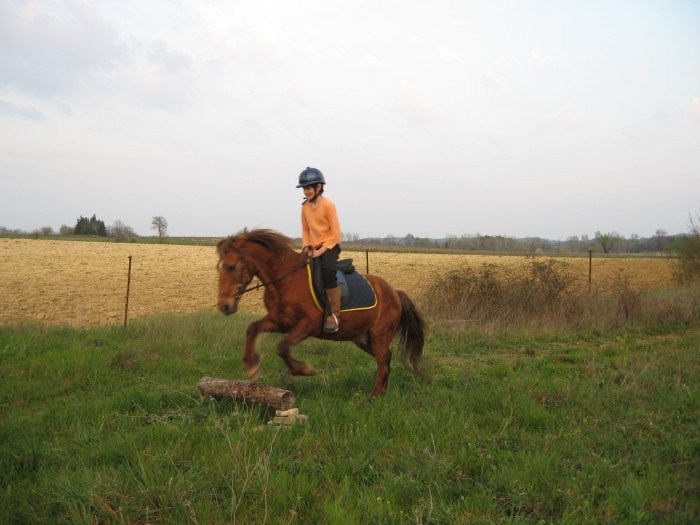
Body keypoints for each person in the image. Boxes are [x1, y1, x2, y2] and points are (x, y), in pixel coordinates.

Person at [297, 167, 342, 332]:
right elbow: (305, 230)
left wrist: (320, 251)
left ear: (319, 187)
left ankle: (334, 314)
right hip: (313, 246)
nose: (306, 191)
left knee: (327, 270)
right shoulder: (304, 207)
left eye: (309, 188)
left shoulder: (328, 205)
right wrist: (307, 246)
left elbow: (336, 233)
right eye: (304, 188)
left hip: (330, 245)